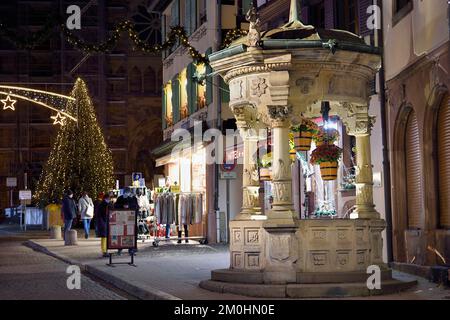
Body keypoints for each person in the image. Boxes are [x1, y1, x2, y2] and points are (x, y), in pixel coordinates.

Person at [115, 187, 138, 256]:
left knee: (130, 234)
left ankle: (131, 249)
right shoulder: (120, 198)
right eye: (125, 192)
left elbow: (136, 206)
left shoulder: (133, 198)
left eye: (127, 192)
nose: (126, 194)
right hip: (121, 219)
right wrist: (122, 206)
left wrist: (129, 206)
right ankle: (120, 248)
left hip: (131, 219)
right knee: (121, 233)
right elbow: (115, 206)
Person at [97, 193, 111, 258]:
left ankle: (104, 250)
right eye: (109, 198)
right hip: (103, 222)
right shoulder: (104, 204)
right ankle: (104, 251)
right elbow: (104, 214)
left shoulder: (102, 203)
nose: (109, 199)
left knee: (104, 237)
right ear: (107, 198)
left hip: (102, 222)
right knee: (104, 237)